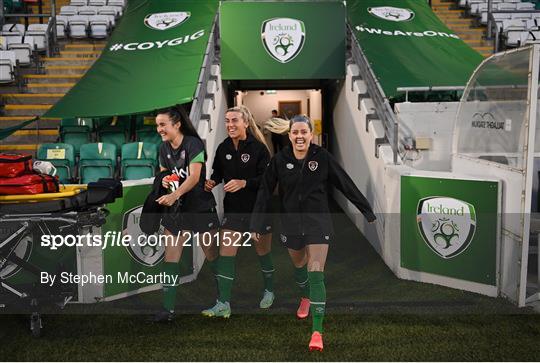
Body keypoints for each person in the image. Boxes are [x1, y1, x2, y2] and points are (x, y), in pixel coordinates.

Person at [250, 115, 376, 351]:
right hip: (290, 223)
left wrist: (366, 209)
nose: (299, 136)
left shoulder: (322, 157)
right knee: (299, 265)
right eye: (295, 132)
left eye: (303, 132)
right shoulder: (279, 160)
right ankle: (305, 296)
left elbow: (344, 182)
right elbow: (265, 192)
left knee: (315, 269)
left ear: (311, 134)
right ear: (289, 135)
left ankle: (317, 331)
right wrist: (256, 222)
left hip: (318, 222)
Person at [202, 105, 274, 318]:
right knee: (226, 255)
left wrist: (244, 183)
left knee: (263, 253)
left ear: (245, 123)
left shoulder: (259, 149)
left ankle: (269, 290)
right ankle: (224, 303)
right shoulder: (223, 147)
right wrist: (211, 182)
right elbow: (218, 172)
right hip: (233, 211)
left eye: (234, 120)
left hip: (258, 211)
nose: (230, 125)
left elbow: (268, 181)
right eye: (227, 121)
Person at [153, 105, 220, 322]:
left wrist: (174, 195)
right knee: (170, 258)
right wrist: (164, 181)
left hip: (199, 208)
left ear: (177, 124)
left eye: (163, 124)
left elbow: (194, 177)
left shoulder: (193, 144)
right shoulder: (163, 148)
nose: (159, 129)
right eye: (157, 125)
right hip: (176, 211)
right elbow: (164, 174)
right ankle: (167, 309)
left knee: (212, 255)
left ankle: (224, 299)